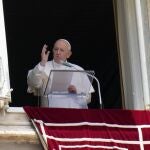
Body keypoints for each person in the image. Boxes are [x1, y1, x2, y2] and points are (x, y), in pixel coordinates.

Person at [27, 39, 94, 108]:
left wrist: (77, 93)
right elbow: (33, 83)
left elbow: (88, 98)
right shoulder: (43, 66)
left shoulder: (78, 70)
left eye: (61, 50)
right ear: (52, 50)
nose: (58, 52)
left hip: (73, 115)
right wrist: (42, 63)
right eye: (56, 49)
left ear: (68, 54)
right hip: (49, 115)